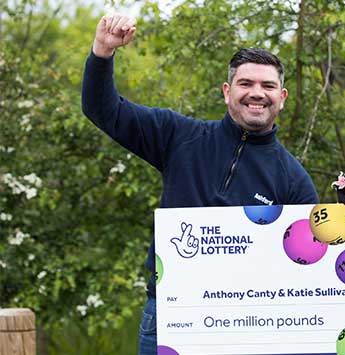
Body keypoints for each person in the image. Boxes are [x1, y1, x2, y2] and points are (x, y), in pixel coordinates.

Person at [81, 13, 319, 354]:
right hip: (169, 315)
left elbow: (306, 265)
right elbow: (103, 110)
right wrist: (102, 53)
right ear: (227, 92)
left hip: (251, 326)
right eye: (245, 83)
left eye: (267, 86)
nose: (257, 94)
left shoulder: (294, 179)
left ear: (281, 97)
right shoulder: (177, 135)